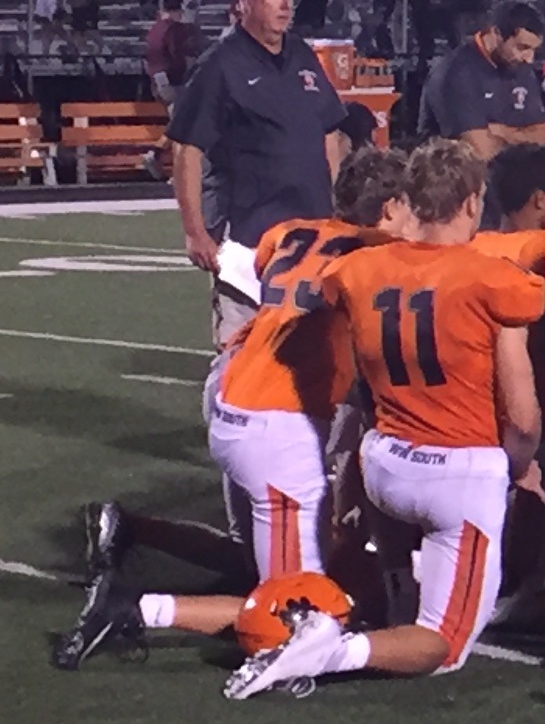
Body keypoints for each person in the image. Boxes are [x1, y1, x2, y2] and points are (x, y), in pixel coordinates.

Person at [54, 146, 408, 667]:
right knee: (296, 613)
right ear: (391, 206)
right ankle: (136, 608)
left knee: (277, 568)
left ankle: (134, 539)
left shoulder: (292, 232)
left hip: (235, 398)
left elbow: (273, 273)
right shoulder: (377, 256)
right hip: (277, 426)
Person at [221, 142, 545, 696]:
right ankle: (329, 652)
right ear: (472, 203)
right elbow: (522, 421)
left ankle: (394, 586)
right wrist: (517, 468)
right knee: (444, 647)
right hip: (457, 474)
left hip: (384, 467)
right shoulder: (495, 279)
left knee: (385, 482)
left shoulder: (356, 269)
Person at [168, 0, 358, 346]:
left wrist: (339, 208)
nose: (285, 4)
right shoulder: (219, 65)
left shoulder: (301, 54)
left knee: (311, 351)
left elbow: (330, 133)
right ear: (246, 2)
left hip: (311, 232)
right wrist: (195, 231)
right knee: (241, 350)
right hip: (249, 235)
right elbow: (187, 149)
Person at [422, 0, 545, 155]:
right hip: (453, 169)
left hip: (514, 167)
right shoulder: (456, 73)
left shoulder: (519, 65)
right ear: (496, 33)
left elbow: (543, 136)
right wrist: (523, 136)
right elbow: (482, 152)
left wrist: (503, 133)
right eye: (522, 47)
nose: (529, 59)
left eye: (533, 49)